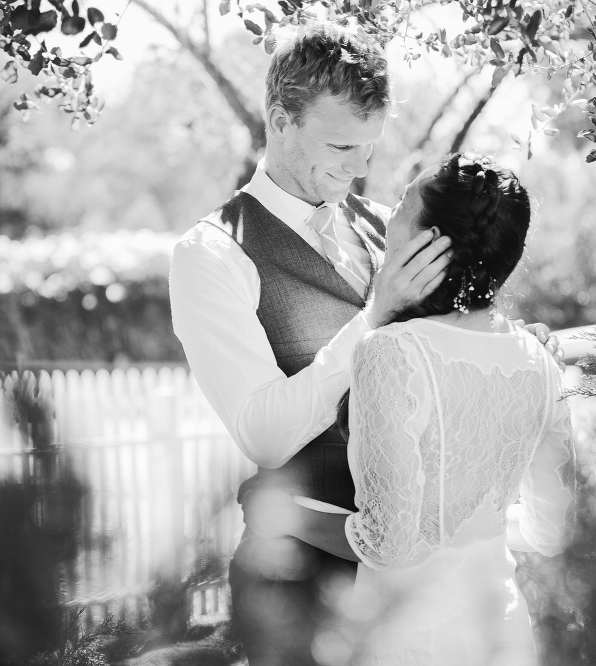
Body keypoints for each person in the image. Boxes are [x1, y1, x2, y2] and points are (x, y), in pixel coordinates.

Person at [170, 22, 562, 666]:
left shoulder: (391, 226)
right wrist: (374, 315)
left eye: (369, 149)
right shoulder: (213, 254)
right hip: (299, 578)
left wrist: (504, 350)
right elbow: (262, 434)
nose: (357, 170)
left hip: (426, 589)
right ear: (280, 119)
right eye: (341, 145)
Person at [245, 153, 575, 665]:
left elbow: (390, 544)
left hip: (408, 642)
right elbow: (551, 533)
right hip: (503, 637)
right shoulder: (541, 362)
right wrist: (467, 530)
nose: (389, 215)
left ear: (429, 243)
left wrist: (286, 516)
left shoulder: (393, 353)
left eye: (402, 203)